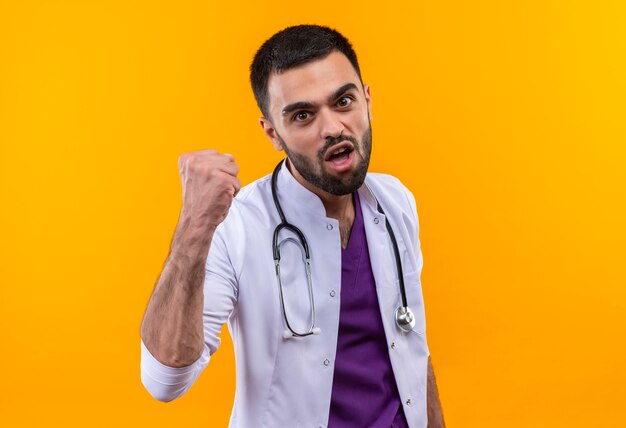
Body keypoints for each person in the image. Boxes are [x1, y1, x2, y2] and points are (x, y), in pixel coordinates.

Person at [140, 25, 444, 428]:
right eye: (303, 115)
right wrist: (194, 228)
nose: (333, 127)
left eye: (344, 101)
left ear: (367, 100)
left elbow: (412, 346)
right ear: (272, 133)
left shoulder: (395, 203)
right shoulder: (236, 226)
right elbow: (165, 381)